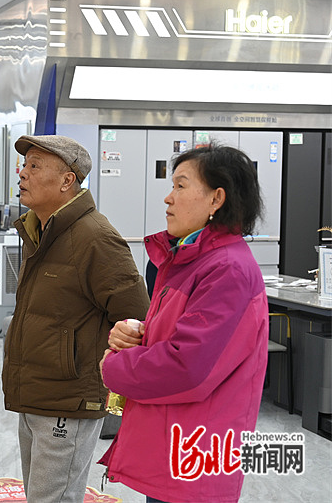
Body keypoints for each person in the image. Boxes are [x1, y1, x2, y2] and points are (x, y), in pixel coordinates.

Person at [99, 142, 269, 503]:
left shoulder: (227, 270)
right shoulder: (190, 259)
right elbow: (180, 338)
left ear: (216, 199)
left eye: (180, 185)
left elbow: (188, 367)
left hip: (196, 457)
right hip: (174, 447)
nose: (168, 198)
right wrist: (136, 335)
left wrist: (114, 366)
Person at [2, 135, 149, 503]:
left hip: (69, 402)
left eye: (35, 166)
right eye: (25, 165)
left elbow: (135, 316)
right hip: (36, 394)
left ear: (67, 180)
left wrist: (115, 388)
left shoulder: (95, 237)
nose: (23, 173)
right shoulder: (39, 231)